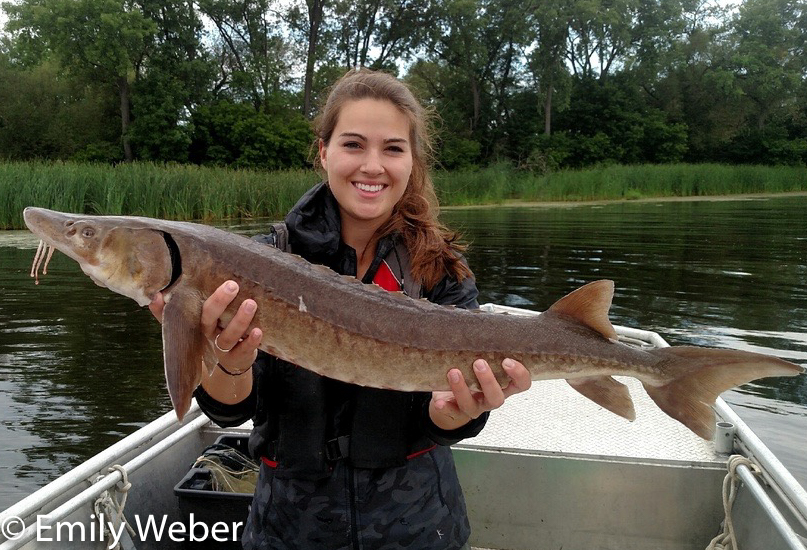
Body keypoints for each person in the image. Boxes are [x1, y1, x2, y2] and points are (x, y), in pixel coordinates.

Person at [150, 68, 531, 550]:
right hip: (290, 528)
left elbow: (446, 423)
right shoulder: (257, 262)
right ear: (323, 152)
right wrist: (231, 361)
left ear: (412, 161)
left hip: (417, 527)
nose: (372, 165)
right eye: (353, 145)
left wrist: (457, 413)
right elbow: (230, 412)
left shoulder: (440, 270)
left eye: (393, 148)